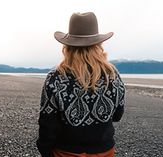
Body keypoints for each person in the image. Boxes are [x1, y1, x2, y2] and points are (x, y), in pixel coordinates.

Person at [36, 12, 125, 157]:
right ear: (98, 44)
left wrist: (45, 150)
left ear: (68, 46)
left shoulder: (55, 77)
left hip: (66, 152)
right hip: (104, 151)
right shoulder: (112, 74)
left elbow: (48, 123)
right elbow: (117, 115)